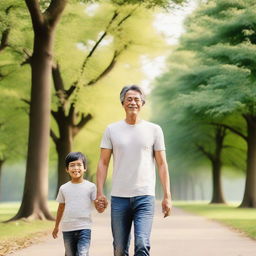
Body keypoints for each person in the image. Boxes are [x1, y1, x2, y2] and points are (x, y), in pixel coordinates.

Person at [95, 85, 172, 256]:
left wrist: (167, 196)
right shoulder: (111, 130)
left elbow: (162, 164)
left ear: (142, 103)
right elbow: (103, 162)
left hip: (145, 196)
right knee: (119, 249)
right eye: (129, 99)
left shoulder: (154, 130)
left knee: (142, 244)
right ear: (122, 102)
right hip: (119, 198)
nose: (133, 102)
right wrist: (99, 192)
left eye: (137, 99)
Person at [52, 152, 96, 256]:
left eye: (79, 164)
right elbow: (61, 207)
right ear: (67, 169)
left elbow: (97, 205)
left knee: (82, 253)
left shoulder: (91, 187)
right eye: (72, 165)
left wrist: (102, 204)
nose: (76, 168)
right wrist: (56, 226)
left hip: (84, 227)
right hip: (68, 228)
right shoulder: (63, 188)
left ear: (84, 168)